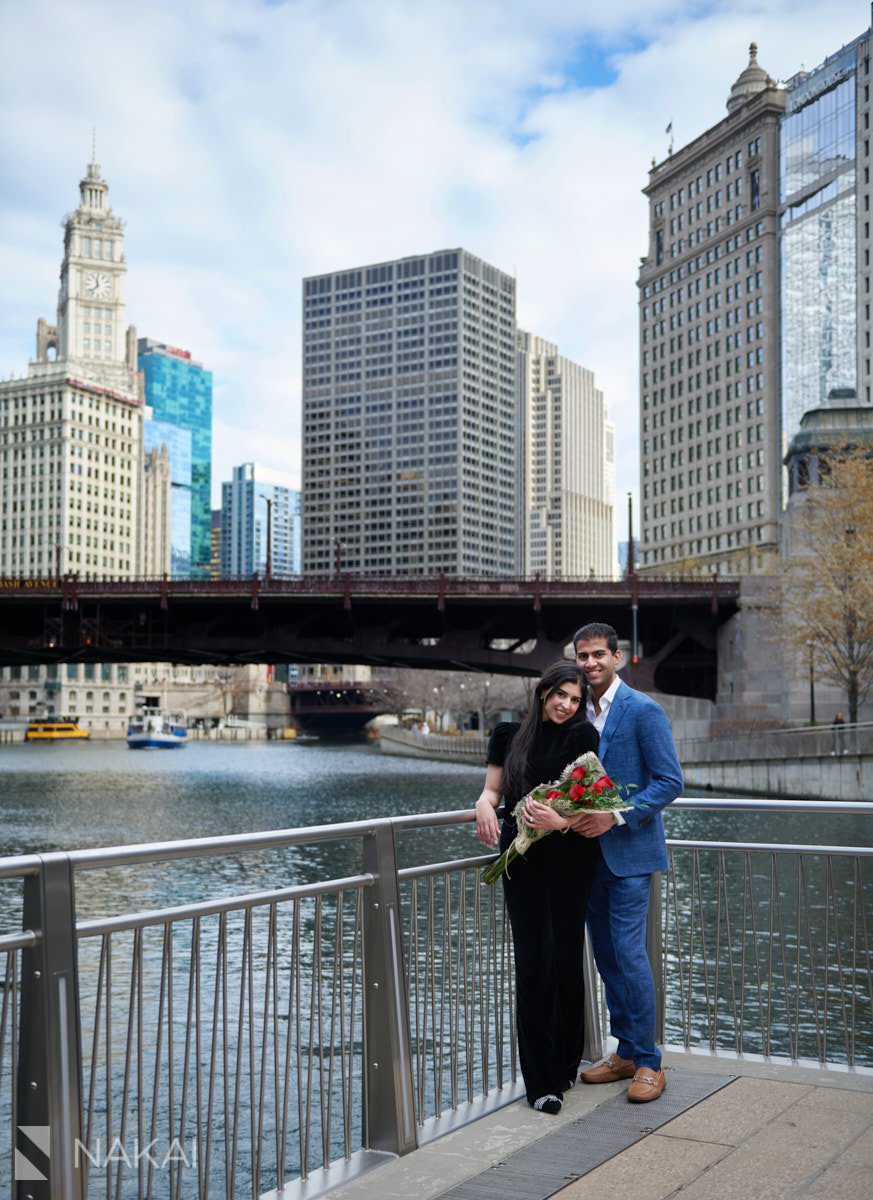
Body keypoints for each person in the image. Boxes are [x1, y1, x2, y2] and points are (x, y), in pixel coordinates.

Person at [474, 661, 598, 1115]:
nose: (567, 705)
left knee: (566, 958)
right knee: (532, 964)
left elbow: (589, 804)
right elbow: (493, 790)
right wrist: (483, 805)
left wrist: (561, 821)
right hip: (521, 859)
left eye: (575, 699)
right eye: (560, 695)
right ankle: (542, 1082)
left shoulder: (584, 738)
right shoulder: (507, 735)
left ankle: (566, 1061)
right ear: (543, 692)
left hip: (570, 857)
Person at [569, 622, 683, 1104]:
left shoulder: (643, 710)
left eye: (598, 654)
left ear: (618, 657)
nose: (590, 663)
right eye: (583, 656)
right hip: (587, 858)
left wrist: (616, 816)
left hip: (630, 857)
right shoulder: (578, 714)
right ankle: (626, 1053)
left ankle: (650, 1064)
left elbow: (670, 782)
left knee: (631, 955)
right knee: (608, 957)